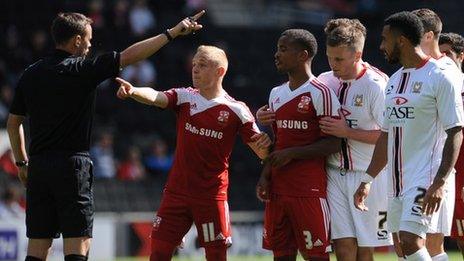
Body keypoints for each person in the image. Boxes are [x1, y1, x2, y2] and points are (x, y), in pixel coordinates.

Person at [7, 10, 205, 261]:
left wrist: (22, 163)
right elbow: (130, 56)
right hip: (72, 166)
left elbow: (14, 124)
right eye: (88, 38)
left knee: (37, 247)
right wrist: (172, 33)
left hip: (39, 168)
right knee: (78, 246)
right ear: (76, 40)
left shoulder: (30, 74)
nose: (91, 45)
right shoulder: (82, 69)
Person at [116, 45, 271, 261]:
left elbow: (263, 152)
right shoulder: (184, 97)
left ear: (220, 72)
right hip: (176, 194)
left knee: (216, 256)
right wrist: (134, 91)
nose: (195, 69)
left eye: (203, 65)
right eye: (194, 64)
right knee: (158, 254)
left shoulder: (236, 110)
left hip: (211, 196)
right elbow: (155, 96)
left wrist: (267, 144)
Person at [354, 11, 464, 261]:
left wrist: (439, 182)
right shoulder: (393, 81)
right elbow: (385, 135)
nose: (381, 46)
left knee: (411, 240)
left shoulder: (440, 76)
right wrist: (368, 178)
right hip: (397, 182)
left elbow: (455, 131)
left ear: (401, 40)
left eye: (385, 39)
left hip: (426, 176)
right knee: (403, 248)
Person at [255, 29, 341, 261]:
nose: (276, 54)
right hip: (278, 188)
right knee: (281, 255)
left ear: (303, 55)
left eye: (283, 49)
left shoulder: (322, 92)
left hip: (308, 189)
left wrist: (293, 154)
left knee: (316, 255)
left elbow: (334, 142)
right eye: (277, 49)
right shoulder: (276, 94)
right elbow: (279, 142)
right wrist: (265, 175)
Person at [317, 18, 392, 261]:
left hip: (367, 175)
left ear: (357, 54)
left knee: (365, 248)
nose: (333, 64)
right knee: (343, 247)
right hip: (333, 173)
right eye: (330, 57)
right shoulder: (325, 80)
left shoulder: (377, 85)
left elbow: (388, 136)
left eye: (339, 59)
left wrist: (347, 132)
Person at [410, 8, 463, 261]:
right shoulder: (419, 73)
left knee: (423, 241)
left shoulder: (446, 73)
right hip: (428, 167)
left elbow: (455, 129)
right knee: (424, 242)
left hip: (441, 170)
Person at [439, 32, 464, 258]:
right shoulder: (436, 88)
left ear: (461, 57)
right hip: (451, 176)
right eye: (440, 54)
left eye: (448, 54)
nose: (443, 59)